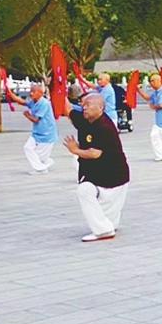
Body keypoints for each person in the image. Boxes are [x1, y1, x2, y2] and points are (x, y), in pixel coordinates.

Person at [64, 92, 131, 242]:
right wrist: (57, 88)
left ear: (100, 107)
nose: (84, 108)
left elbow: (95, 153)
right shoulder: (85, 119)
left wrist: (75, 150)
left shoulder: (104, 127)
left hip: (114, 177)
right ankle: (105, 228)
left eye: (88, 105)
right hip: (97, 175)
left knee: (102, 210)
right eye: (83, 105)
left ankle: (104, 231)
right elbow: (68, 110)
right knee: (85, 191)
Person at [8, 82, 57, 174]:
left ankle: (42, 168)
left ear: (40, 93)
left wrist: (27, 115)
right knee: (28, 148)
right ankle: (44, 164)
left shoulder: (44, 103)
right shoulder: (34, 102)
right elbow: (22, 102)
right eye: (31, 91)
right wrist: (10, 94)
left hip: (46, 134)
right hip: (37, 133)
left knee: (38, 155)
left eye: (33, 92)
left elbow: (36, 119)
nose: (31, 93)